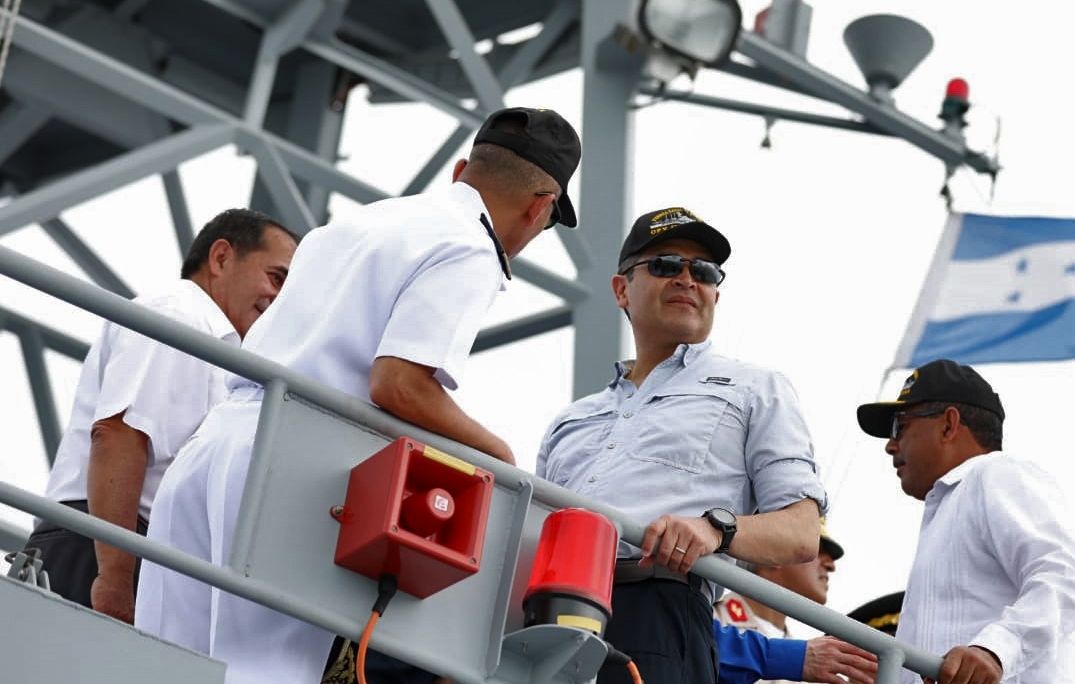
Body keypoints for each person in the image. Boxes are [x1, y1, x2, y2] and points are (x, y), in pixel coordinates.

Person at [134, 106, 582, 684]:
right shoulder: (470, 247)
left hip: (212, 447)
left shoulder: (357, 224)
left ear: (460, 169)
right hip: (291, 468)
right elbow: (399, 382)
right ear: (540, 205)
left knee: (160, 665)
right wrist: (498, 455)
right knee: (265, 670)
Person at [537, 207, 874, 684]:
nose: (687, 279)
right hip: (550, 607)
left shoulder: (756, 388)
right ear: (620, 290)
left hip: (661, 613)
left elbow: (801, 533)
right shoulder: (571, 420)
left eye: (704, 270)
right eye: (665, 265)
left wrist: (717, 530)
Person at [23, 208, 297, 622]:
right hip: (106, 548)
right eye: (276, 278)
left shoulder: (224, 351)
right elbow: (119, 437)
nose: (279, 300)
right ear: (221, 258)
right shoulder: (180, 315)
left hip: (137, 552)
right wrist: (114, 578)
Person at [857, 358, 1075, 684]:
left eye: (899, 427)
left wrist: (995, 650)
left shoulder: (996, 474)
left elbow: (1062, 574)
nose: (890, 446)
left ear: (949, 424)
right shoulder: (949, 505)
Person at [716, 520, 860, 684]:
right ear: (775, 552)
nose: (830, 565)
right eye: (816, 549)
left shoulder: (810, 656)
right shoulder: (710, 617)